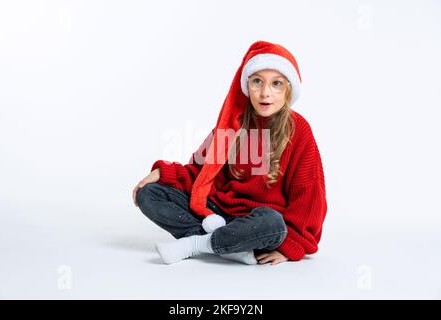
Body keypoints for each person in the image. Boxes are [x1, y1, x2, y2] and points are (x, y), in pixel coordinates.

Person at [132, 40, 327, 265]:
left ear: (288, 89)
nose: (265, 93)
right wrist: (162, 173)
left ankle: (197, 244)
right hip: (219, 213)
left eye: (276, 84)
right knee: (149, 193)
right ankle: (229, 245)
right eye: (257, 82)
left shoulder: (298, 129)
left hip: (258, 221)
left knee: (273, 222)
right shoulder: (233, 121)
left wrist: (290, 247)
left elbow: (309, 196)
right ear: (246, 86)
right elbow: (201, 172)